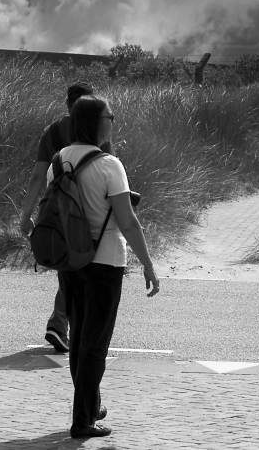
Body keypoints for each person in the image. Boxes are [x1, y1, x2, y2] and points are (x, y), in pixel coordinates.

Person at [55, 95, 160, 439]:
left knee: (80, 339)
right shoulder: (109, 165)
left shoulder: (59, 161)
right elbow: (127, 222)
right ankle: (83, 420)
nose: (112, 122)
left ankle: (89, 403)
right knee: (95, 344)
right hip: (105, 262)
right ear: (96, 123)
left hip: (70, 260)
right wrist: (148, 265)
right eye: (109, 117)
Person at [19, 83, 112, 353]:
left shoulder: (52, 131)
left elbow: (38, 176)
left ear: (67, 103)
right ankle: (60, 325)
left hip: (56, 209)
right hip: (88, 210)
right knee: (80, 267)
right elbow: (110, 163)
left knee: (69, 267)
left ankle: (60, 325)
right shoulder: (96, 128)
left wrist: (26, 215)